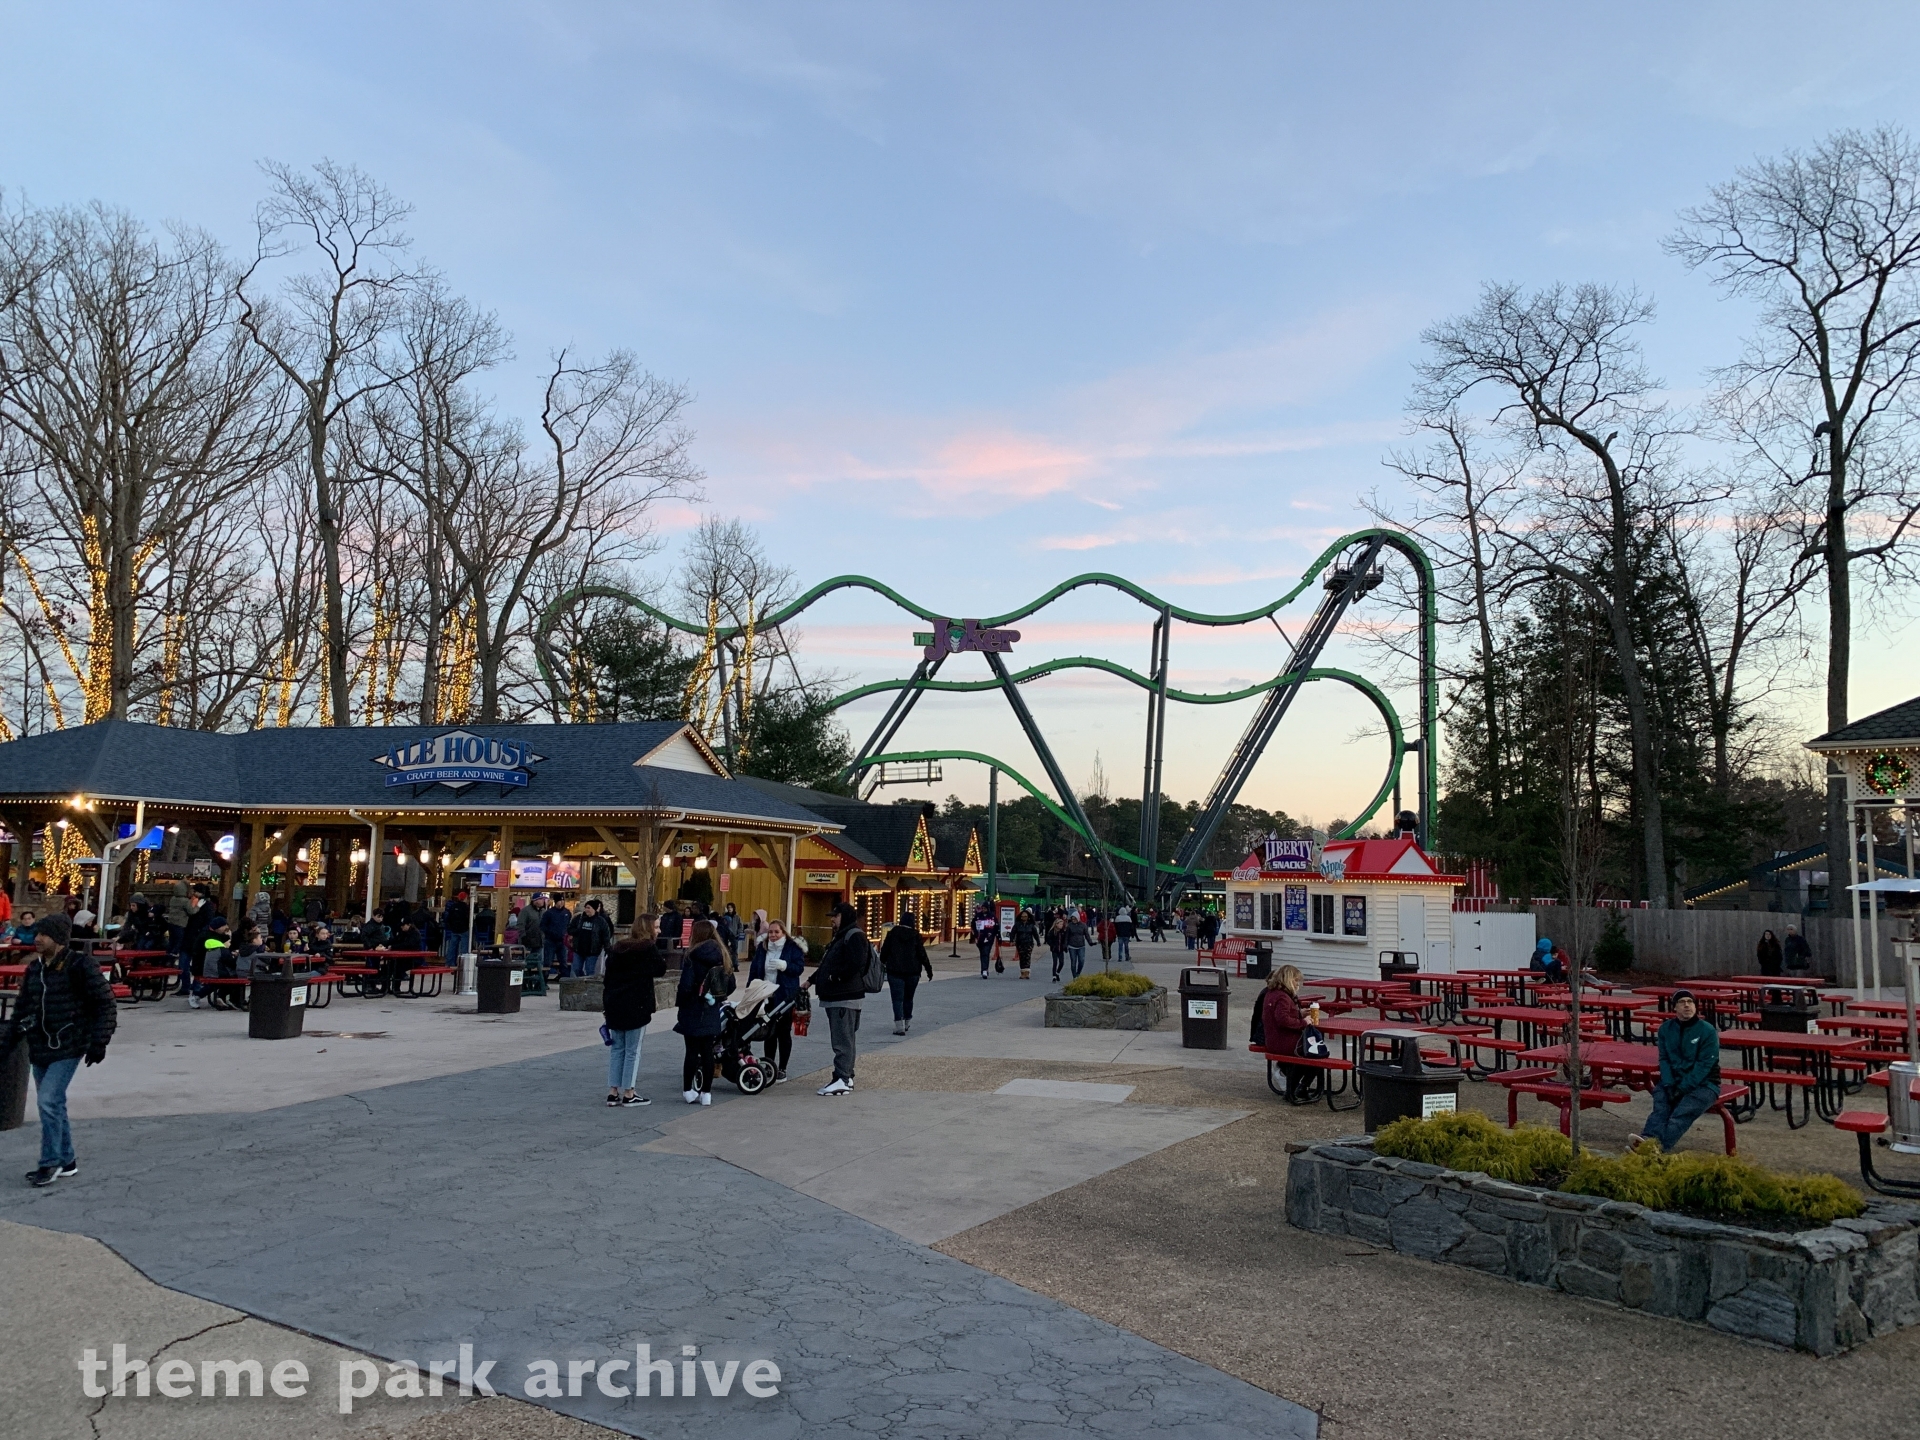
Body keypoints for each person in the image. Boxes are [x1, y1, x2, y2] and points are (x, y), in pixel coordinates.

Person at [1, 914, 116, 1186]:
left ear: (59, 939)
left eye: (44, 935)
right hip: (40, 1045)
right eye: (37, 933)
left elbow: (105, 1003)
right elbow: (22, 1010)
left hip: (69, 1043)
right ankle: (67, 1161)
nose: (37, 939)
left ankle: (49, 1162)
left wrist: (99, 1041)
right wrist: (8, 1044)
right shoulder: (35, 970)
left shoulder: (80, 965)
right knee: (54, 1103)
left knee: (48, 1101)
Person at [1628, 990, 1722, 1153]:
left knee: (1681, 1114)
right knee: (1661, 1106)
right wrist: (1669, 1084)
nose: (1687, 1005)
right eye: (1682, 1002)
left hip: (1705, 1085)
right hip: (1673, 1082)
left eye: (1690, 1002)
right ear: (1674, 1008)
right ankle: (1648, 1139)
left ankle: (1657, 1149)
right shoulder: (1666, 1029)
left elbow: (1705, 1065)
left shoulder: (1707, 1031)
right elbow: (1664, 1059)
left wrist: (1682, 1088)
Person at [602, 916, 667, 1107]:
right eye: (656, 927)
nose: (659, 931)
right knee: (632, 1050)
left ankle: (613, 1091)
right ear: (648, 929)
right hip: (636, 1004)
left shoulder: (617, 948)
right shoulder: (647, 948)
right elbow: (661, 969)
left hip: (614, 1003)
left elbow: (607, 979)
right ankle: (629, 1092)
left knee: (617, 1049)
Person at [805, 903, 868, 1096]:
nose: (832, 919)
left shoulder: (854, 936)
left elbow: (856, 964)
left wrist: (835, 978)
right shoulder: (842, 936)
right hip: (839, 996)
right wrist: (812, 980)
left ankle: (841, 1078)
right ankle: (846, 1077)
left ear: (845, 916)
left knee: (842, 1041)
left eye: (836, 916)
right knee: (845, 1039)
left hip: (844, 997)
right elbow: (828, 964)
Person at [674, 919, 731, 1106]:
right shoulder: (722, 955)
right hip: (711, 1009)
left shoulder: (692, 956)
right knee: (707, 1051)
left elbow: (686, 986)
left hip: (693, 1008)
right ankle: (706, 1092)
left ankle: (688, 1090)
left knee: (691, 1051)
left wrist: (681, 1002)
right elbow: (730, 985)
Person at [749, 917, 806, 1080]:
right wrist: (751, 989)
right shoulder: (763, 947)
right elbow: (754, 969)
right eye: (770, 932)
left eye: (776, 932)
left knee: (783, 1032)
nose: (773, 935)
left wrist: (785, 966)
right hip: (766, 995)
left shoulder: (792, 947)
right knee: (769, 1032)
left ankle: (782, 1068)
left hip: (785, 995)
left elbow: (799, 968)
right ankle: (769, 1065)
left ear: (783, 933)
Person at [1260, 965, 1309, 1098]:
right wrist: (1303, 1022)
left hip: (1273, 1040)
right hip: (1284, 1042)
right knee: (1314, 1055)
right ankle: (1297, 1087)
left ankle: (1293, 1085)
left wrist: (1298, 1013)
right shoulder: (1283, 997)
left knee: (1311, 1053)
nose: (1298, 984)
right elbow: (1283, 1020)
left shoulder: (1272, 993)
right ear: (1288, 979)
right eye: (1296, 980)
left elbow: (1280, 1016)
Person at [882, 909, 933, 1034]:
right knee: (908, 998)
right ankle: (907, 1022)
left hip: (895, 971)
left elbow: (884, 951)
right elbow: (922, 954)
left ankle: (898, 1024)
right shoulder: (916, 935)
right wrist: (928, 969)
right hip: (913, 971)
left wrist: (882, 963)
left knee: (897, 999)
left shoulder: (892, 933)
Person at [570, 898, 614, 978]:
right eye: (585, 907)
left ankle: (588, 987)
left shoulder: (601, 921)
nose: (586, 910)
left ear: (594, 909)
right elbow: (570, 928)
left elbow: (605, 935)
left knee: (590, 970)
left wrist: (608, 948)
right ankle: (582, 982)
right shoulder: (579, 919)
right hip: (578, 949)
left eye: (588, 908)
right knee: (576, 969)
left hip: (592, 950)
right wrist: (576, 931)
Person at [540, 893, 572, 978]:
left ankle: (564, 981)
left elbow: (569, 925)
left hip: (562, 942)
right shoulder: (549, 913)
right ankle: (544, 981)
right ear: (555, 902)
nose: (561, 903)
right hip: (550, 941)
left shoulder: (567, 913)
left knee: (563, 962)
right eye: (559, 901)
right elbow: (543, 926)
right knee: (547, 962)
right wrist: (550, 933)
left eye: (562, 901)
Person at [441, 890, 471, 965]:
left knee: (452, 947)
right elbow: (468, 919)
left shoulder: (453, 906)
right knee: (464, 948)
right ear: (465, 898)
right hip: (464, 930)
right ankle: (463, 964)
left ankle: (449, 963)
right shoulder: (466, 908)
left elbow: (449, 918)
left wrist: (451, 927)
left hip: (454, 930)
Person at [1011, 909, 1038, 980]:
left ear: (1028, 917)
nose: (1024, 918)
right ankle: (1022, 972)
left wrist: (1038, 941)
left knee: (1027, 957)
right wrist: (1011, 940)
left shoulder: (1031, 925)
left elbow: (1035, 934)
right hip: (1020, 943)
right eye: (1023, 916)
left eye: (1025, 916)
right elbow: (1013, 933)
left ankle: (1027, 972)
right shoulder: (1017, 925)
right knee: (1022, 957)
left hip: (1029, 943)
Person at [1062, 909, 1090, 979]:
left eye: (1075, 919)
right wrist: (1065, 945)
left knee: (1081, 961)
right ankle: (1074, 976)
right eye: (1072, 919)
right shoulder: (1070, 926)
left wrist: (1090, 942)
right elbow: (1067, 936)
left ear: (1078, 918)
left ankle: (1078, 973)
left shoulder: (1083, 925)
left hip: (1081, 945)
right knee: (1073, 962)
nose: (1073, 920)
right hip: (1072, 946)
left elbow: (1087, 935)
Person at [972, 905, 998, 978]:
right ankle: (983, 969)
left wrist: (997, 936)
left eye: (985, 908)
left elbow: (996, 927)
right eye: (982, 908)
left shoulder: (992, 916)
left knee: (986, 953)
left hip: (989, 938)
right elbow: (973, 925)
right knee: (982, 953)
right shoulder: (978, 916)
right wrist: (975, 935)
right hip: (980, 938)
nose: (983, 909)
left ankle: (985, 970)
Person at [1047, 912, 1068, 982]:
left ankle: (1057, 972)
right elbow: (1048, 939)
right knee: (1055, 962)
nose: (1061, 925)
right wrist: (1052, 945)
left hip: (1061, 949)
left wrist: (1065, 946)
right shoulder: (1052, 932)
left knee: (1061, 963)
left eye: (1062, 924)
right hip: (1054, 949)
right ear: (1056, 924)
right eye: (1060, 924)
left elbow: (1065, 940)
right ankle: (1054, 976)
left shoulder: (1063, 932)